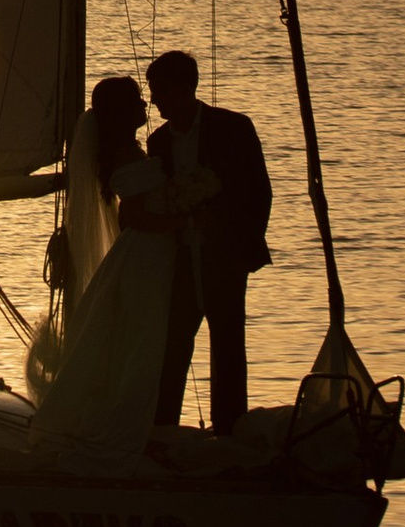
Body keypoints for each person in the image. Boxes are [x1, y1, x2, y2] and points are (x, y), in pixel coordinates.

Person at [27, 76, 210, 477]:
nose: (145, 105)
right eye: (137, 101)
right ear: (121, 110)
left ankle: (131, 424)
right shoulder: (124, 155)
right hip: (146, 254)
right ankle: (121, 432)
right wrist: (183, 220)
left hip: (151, 255)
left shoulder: (125, 151)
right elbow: (135, 216)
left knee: (137, 340)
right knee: (141, 343)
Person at [145, 48, 272, 431]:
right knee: (174, 343)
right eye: (153, 91)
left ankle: (230, 427)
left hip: (225, 253)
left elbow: (258, 191)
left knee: (229, 343)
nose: (154, 100)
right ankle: (163, 425)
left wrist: (232, 237)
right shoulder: (159, 142)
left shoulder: (233, 127)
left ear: (187, 88)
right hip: (180, 257)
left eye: (161, 91)